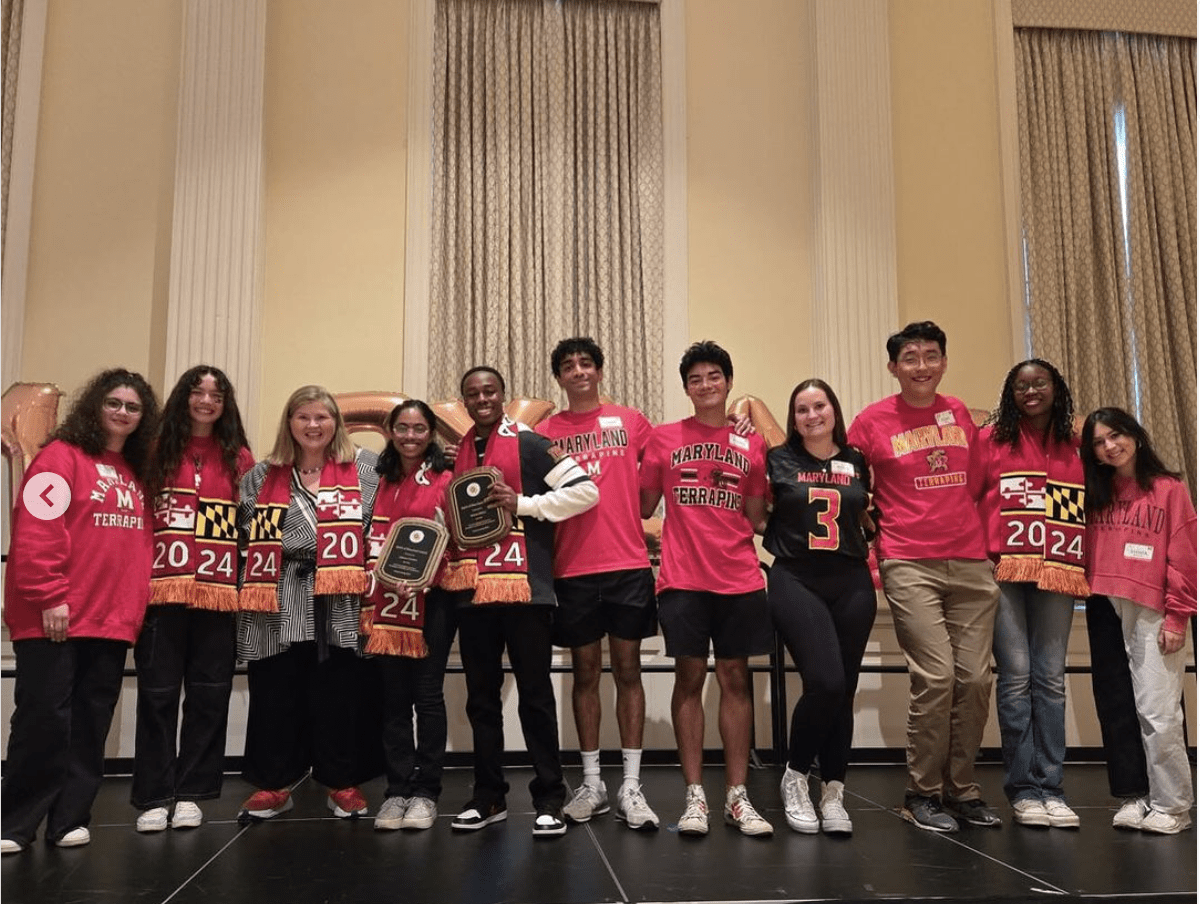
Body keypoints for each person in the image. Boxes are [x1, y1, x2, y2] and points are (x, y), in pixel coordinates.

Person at [847, 321, 1001, 833]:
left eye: (931, 355)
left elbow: (977, 482)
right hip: (909, 562)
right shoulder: (871, 422)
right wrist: (875, 554)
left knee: (976, 679)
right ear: (893, 367)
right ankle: (922, 792)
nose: (921, 366)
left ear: (943, 362)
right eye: (909, 357)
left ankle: (962, 789)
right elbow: (851, 494)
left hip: (970, 563)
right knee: (936, 678)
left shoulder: (958, 413)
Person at [2, 369, 159, 853]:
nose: (122, 413)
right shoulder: (58, 457)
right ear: (95, 405)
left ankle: (69, 817)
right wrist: (50, 596)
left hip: (111, 620)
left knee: (92, 723)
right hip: (55, 617)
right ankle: (15, 823)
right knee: (42, 720)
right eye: (114, 403)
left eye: (133, 407)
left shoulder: (136, 471)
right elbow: (37, 529)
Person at [445, 366, 598, 838]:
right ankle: (488, 795)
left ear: (503, 396)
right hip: (474, 592)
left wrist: (526, 504)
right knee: (481, 700)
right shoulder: (461, 455)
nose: (482, 398)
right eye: (473, 393)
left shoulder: (531, 444)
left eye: (490, 391)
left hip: (527, 589)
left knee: (535, 697)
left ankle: (550, 796)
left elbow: (587, 491)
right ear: (466, 402)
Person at [639, 340, 774, 838]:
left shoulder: (751, 443)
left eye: (714, 376)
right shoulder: (663, 437)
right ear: (686, 388)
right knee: (689, 680)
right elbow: (643, 505)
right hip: (682, 578)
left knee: (737, 681)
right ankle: (695, 795)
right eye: (696, 379)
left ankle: (737, 797)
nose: (705, 385)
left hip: (739, 576)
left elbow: (759, 517)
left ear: (728, 382)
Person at [235, 385, 379, 821]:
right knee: (276, 690)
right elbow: (243, 536)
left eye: (322, 417)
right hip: (277, 595)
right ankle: (274, 783)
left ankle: (342, 780)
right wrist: (306, 544)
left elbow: (386, 517)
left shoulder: (367, 468)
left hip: (341, 595)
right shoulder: (261, 476)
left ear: (336, 422)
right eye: (303, 417)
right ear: (289, 423)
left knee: (340, 689)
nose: (313, 426)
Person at [536, 338, 660, 830]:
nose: (578, 371)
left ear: (600, 371)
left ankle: (632, 784)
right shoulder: (544, 432)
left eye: (586, 363)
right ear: (559, 379)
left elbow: (671, 457)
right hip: (572, 569)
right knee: (585, 674)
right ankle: (592, 782)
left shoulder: (632, 422)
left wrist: (737, 423)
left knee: (629, 671)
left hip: (628, 563)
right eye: (568, 366)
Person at [132, 366, 255, 833]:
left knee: (209, 697)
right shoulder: (154, 450)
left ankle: (191, 794)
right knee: (158, 696)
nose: (206, 400)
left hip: (219, 595)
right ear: (183, 398)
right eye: (198, 391)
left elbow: (251, 524)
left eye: (216, 393)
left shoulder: (238, 456)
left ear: (225, 404)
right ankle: (153, 796)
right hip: (161, 592)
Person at [979, 359, 1090, 829]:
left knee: (1050, 678)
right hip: (1004, 568)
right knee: (1016, 677)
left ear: (1056, 388)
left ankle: (1052, 786)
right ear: (1010, 392)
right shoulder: (990, 440)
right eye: (1021, 385)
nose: (1031, 391)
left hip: (1059, 569)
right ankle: (1023, 789)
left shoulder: (1077, 442)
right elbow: (967, 496)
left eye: (1039, 382)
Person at [764, 379, 875, 836]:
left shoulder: (857, 461)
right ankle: (795, 775)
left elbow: (869, 518)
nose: (812, 415)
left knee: (842, 690)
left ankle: (833, 791)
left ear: (834, 410)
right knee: (825, 682)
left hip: (850, 579)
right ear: (793, 419)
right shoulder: (779, 459)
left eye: (820, 406)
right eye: (802, 409)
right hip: (795, 577)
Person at [1081, 407, 1196, 835]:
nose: (1110, 446)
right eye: (1098, 441)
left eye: (1116, 435)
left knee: (1159, 709)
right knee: (1116, 708)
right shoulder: (1096, 491)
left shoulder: (1169, 489)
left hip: (1153, 607)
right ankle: (1135, 795)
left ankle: (1174, 805)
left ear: (1134, 434)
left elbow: (1185, 556)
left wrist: (1177, 616)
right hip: (1102, 604)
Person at [361, 400, 456, 831]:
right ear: (390, 430)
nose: (411, 436)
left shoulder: (445, 477)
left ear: (431, 432)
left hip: (432, 600)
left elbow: (455, 539)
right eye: (403, 427)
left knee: (428, 697)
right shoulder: (377, 478)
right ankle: (397, 789)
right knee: (393, 700)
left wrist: (425, 576)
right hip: (383, 601)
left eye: (420, 428)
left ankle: (426, 792)